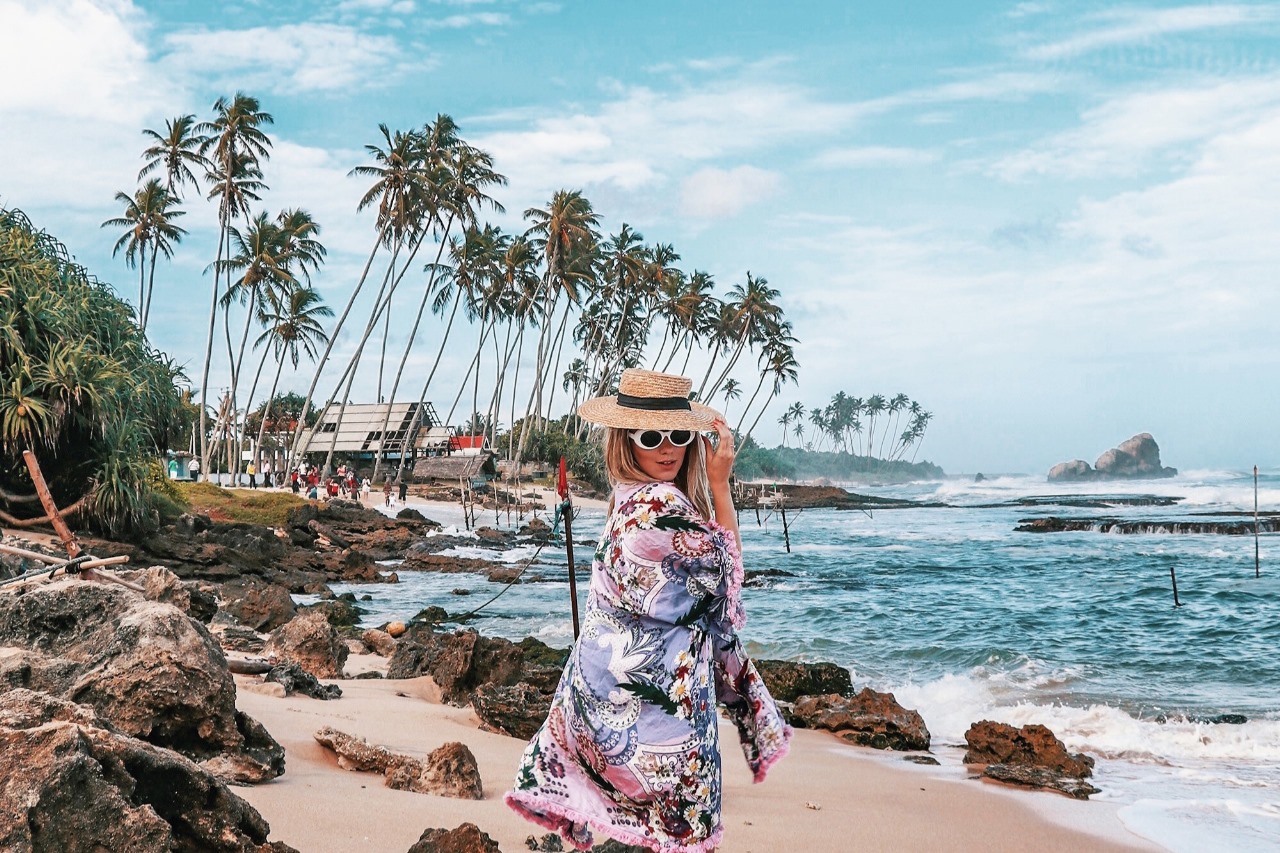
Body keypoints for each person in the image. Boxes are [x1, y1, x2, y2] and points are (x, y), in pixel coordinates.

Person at [505, 369, 790, 852]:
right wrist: (720, 486)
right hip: (655, 705)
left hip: (606, 688)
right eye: (651, 435)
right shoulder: (658, 504)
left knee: (651, 834)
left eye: (679, 435)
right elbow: (726, 576)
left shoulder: (626, 498)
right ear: (626, 441)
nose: (667, 448)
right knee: (684, 830)